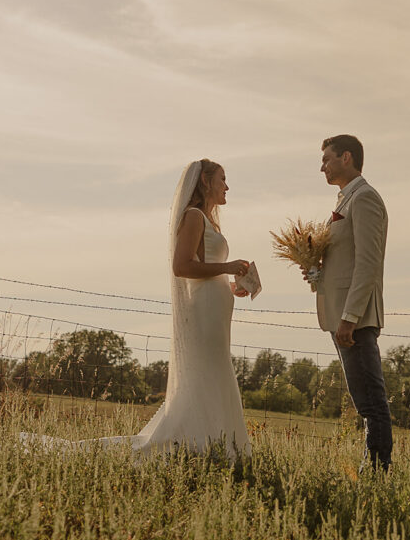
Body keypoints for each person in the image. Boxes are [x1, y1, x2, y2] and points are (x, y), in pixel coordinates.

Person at [22, 159, 252, 460]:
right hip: (204, 310)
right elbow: (182, 266)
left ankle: (214, 444)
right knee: (206, 373)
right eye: (223, 179)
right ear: (206, 182)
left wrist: (232, 283)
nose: (227, 186)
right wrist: (228, 266)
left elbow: (205, 268)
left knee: (214, 372)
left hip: (216, 309)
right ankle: (199, 444)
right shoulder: (194, 216)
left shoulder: (208, 221)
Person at [313, 135, 392, 470]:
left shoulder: (365, 198)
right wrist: (317, 272)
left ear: (347, 157)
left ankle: (376, 472)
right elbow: (345, 261)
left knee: (371, 402)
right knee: (363, 401)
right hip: (341, 315)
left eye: (327, 159)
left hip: (354, 319)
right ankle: (373, 468)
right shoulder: (344, 201)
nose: (322, 167)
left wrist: (350, 317)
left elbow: (368, 264)